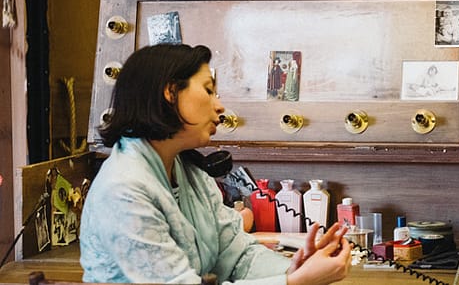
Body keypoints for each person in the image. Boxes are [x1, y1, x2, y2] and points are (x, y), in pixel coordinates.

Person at [79, 44, 351, 285]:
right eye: (208, 90)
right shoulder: (124, 190)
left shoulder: (190, 173)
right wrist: (295, 283)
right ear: (170, 93)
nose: (219, 106)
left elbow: (237, 255)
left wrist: (296, 267)